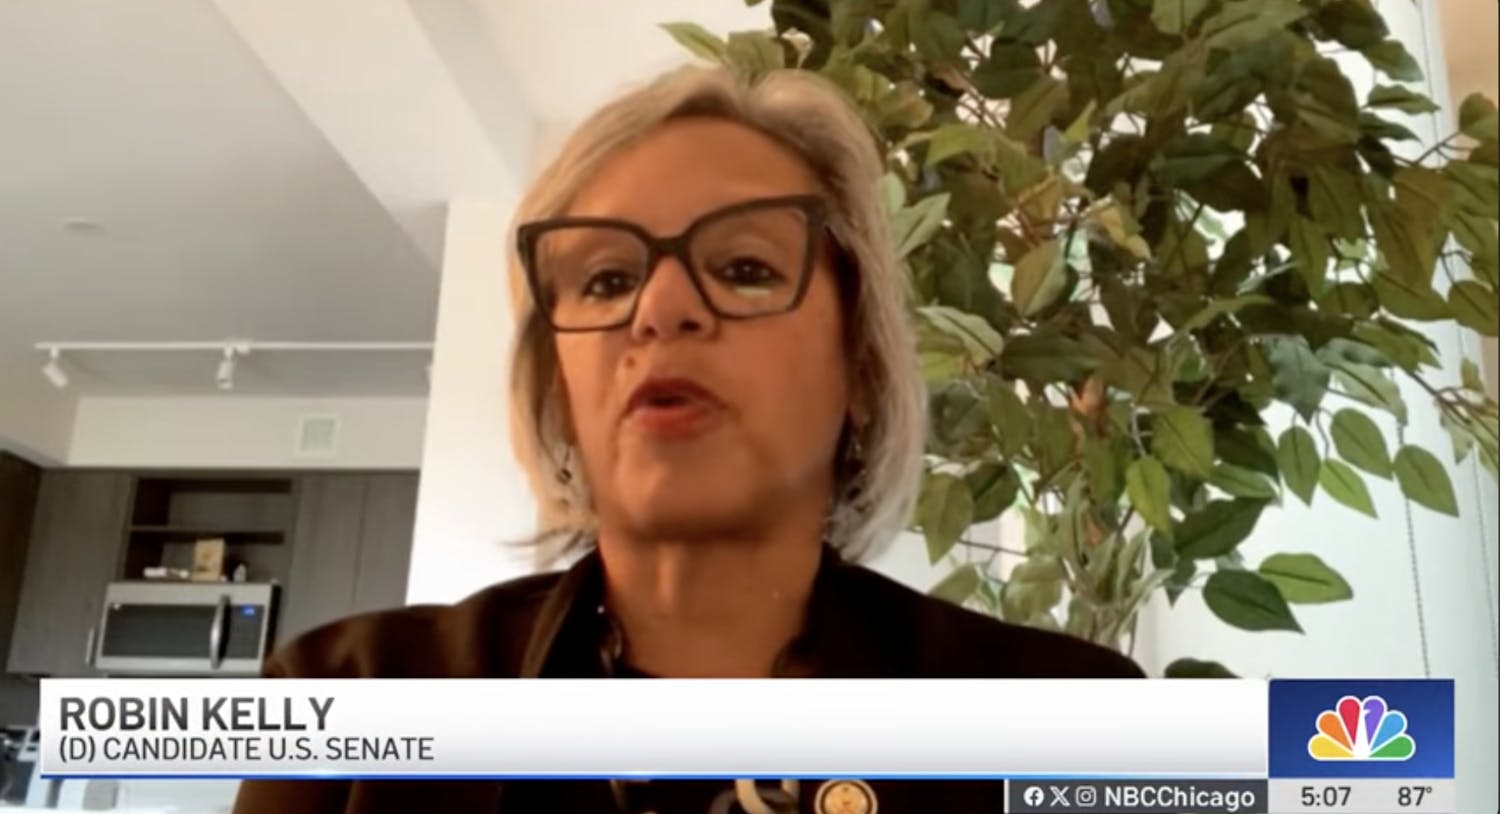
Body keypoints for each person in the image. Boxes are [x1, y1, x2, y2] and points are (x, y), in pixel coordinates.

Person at [233, 64, 1141, 814]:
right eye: (606, 280)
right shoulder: (350, 703)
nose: (659, 309)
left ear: (861, 369)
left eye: (745, 268)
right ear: (558, 387)